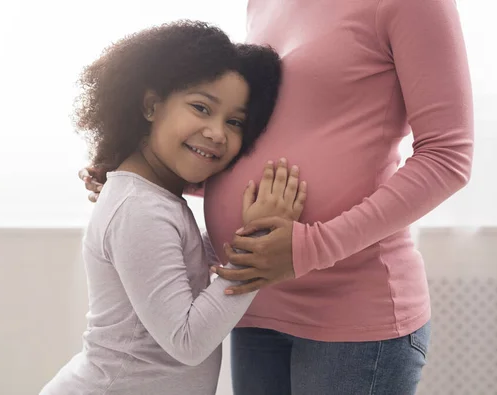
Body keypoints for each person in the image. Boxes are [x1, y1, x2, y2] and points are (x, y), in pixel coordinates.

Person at [82, 0, 474, 393]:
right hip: (250, 306)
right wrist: (143, 170)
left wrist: (311, 247)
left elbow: (447, 157)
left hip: (350, 312)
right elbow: (272, 140)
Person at [42, 21, 308, 395]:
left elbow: (188, 265)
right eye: (202, 108)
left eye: (234, 122)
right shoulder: (139, 209)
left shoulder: (156, 200)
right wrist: (259, 250)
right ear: (151, 105)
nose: (217, 132)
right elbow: (188, 341)